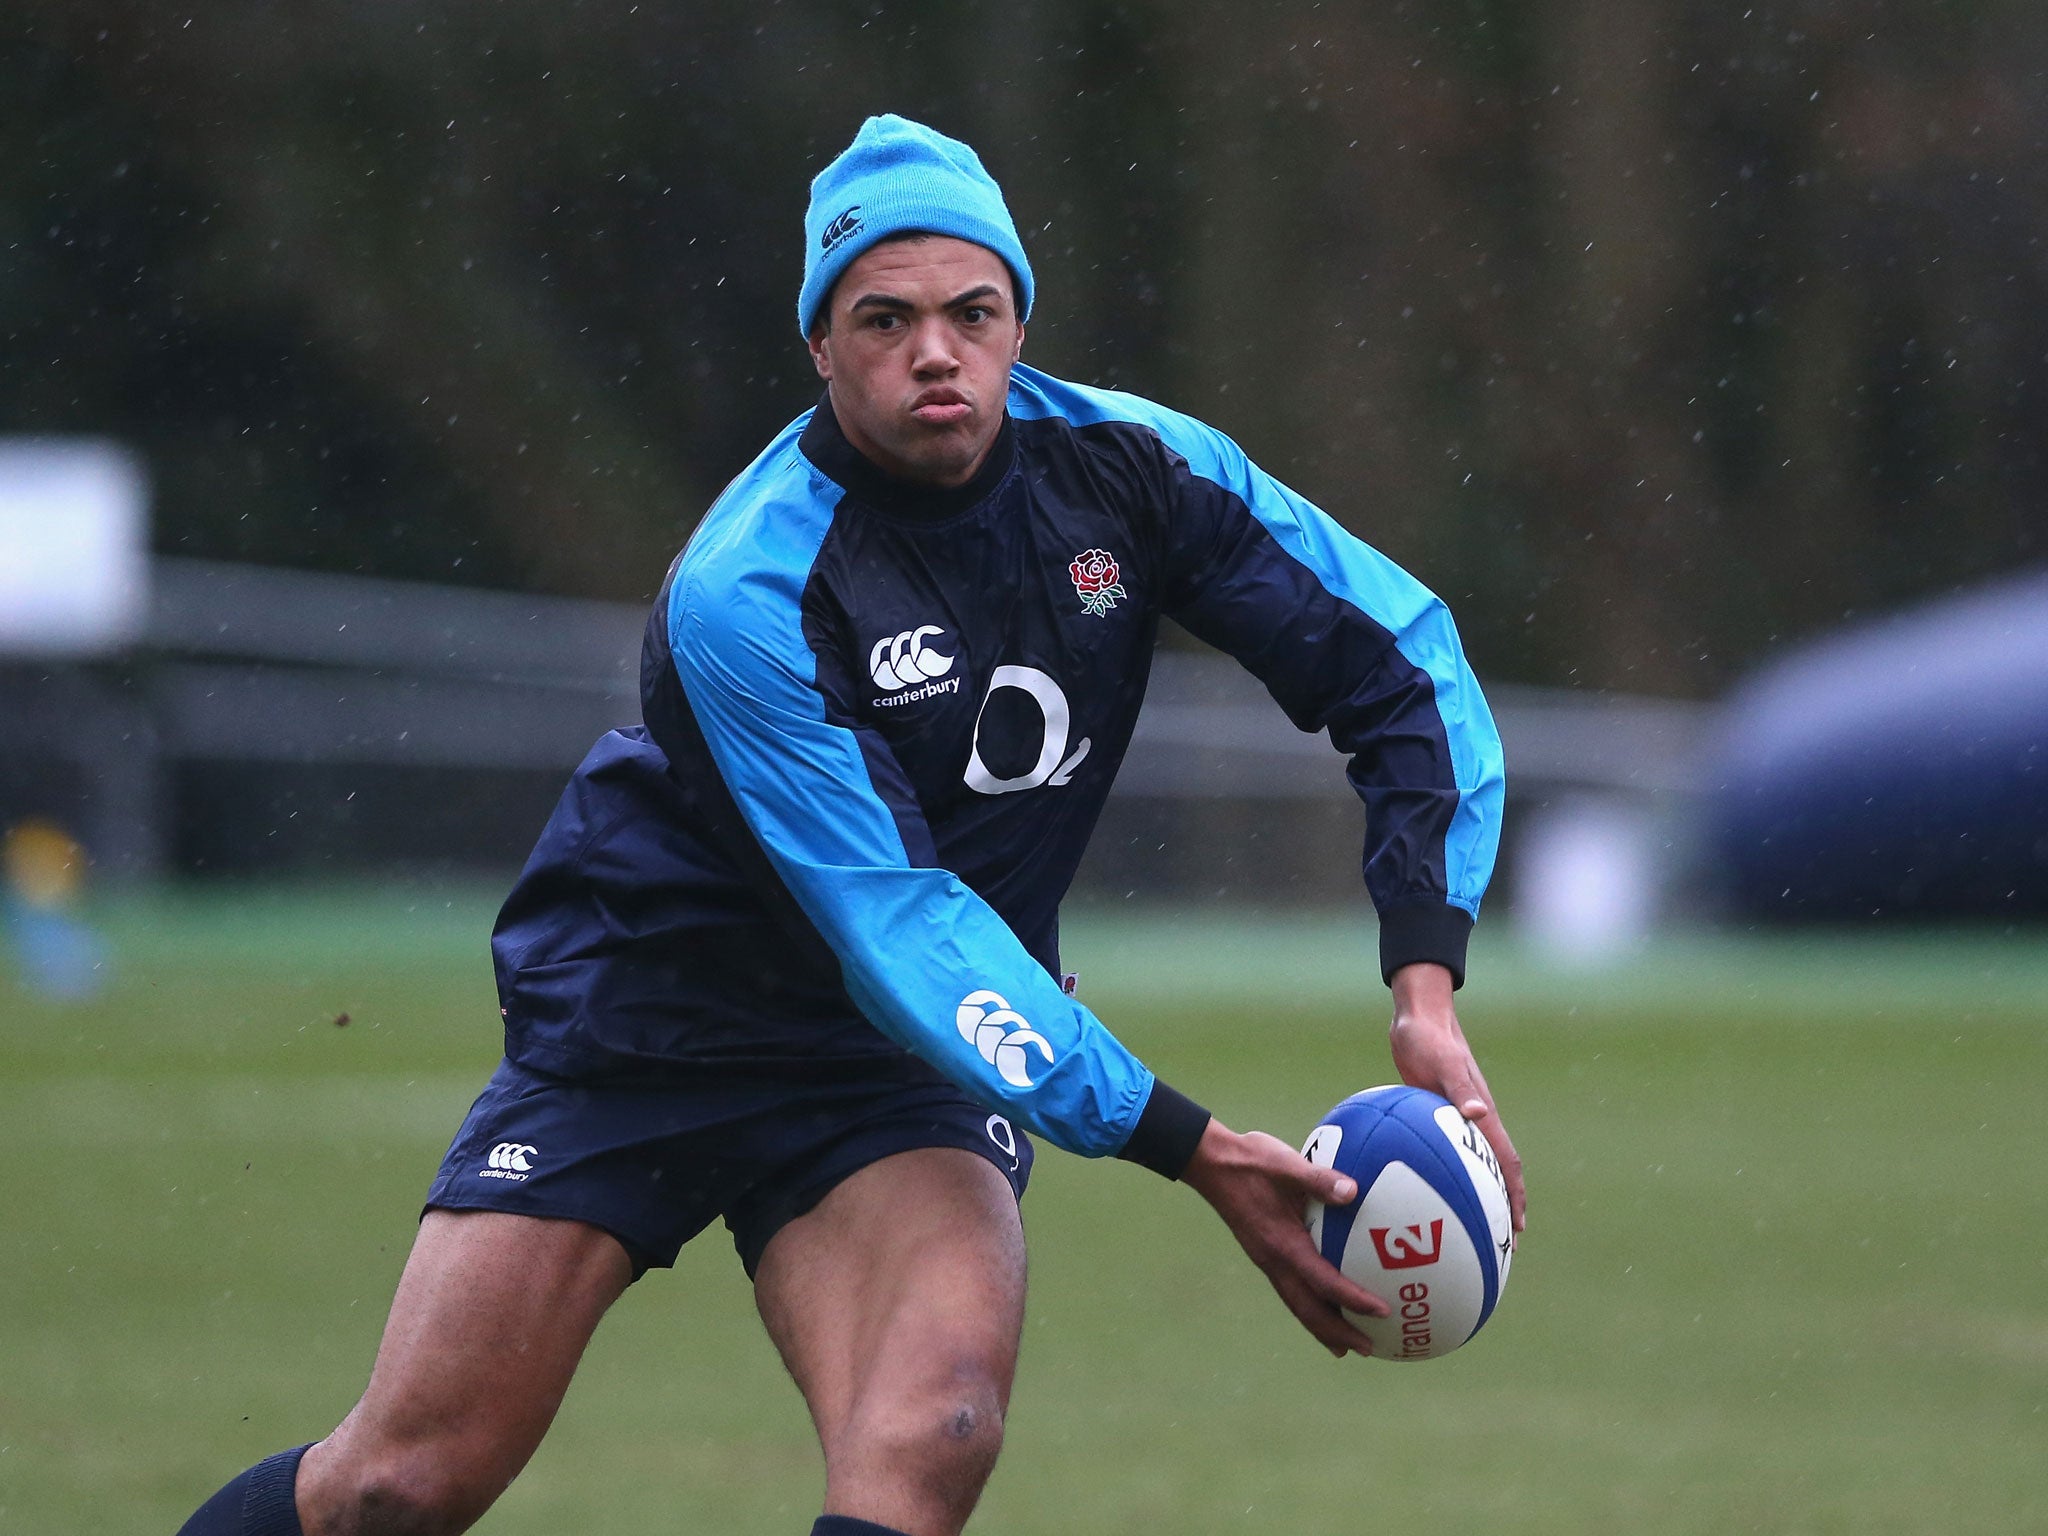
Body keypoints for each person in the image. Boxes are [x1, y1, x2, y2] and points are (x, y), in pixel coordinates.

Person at [178, 114, 1524, 1536]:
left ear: (1019, 323)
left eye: (972, 312)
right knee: (404, 1483)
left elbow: (1403, 664)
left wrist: (1424, 982)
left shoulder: (1134, 473)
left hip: (898, 1068)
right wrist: (1185, 1143)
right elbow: (897, 920)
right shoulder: (749, 589)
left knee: (934, 1428)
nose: (935, 351)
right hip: (654, 1017)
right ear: (820, 344)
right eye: (884, 319)